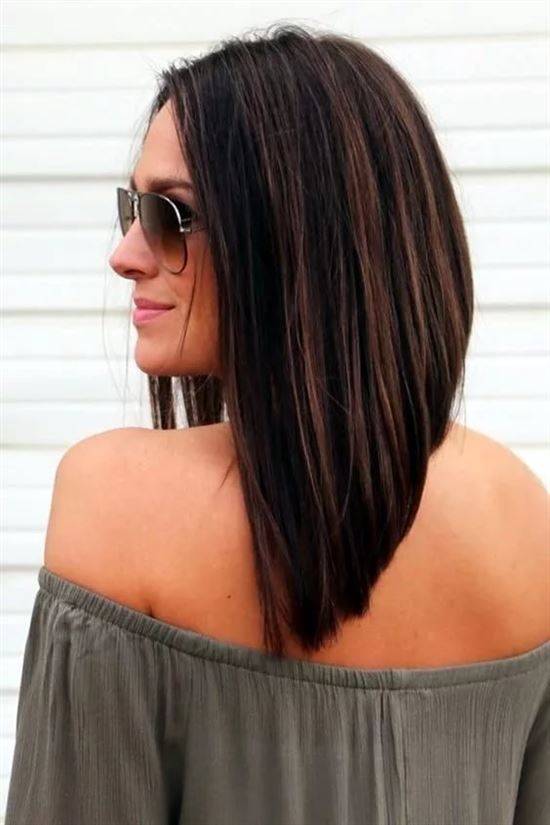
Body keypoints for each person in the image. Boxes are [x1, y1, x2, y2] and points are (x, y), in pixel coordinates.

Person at [5, 23, 549, 825]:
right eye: (132, 209)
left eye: (169, 214)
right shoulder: (521, 515)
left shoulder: (115, 499)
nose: (125, 253)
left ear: (296, 232)